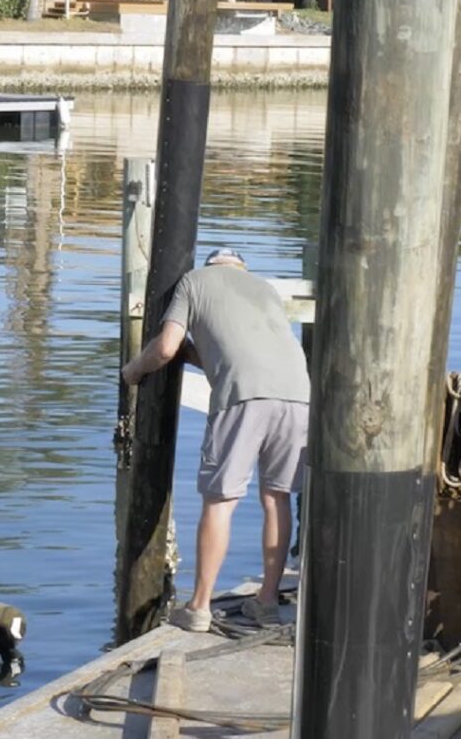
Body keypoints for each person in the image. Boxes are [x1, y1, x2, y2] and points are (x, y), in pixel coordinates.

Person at [121, 248, 310, 632]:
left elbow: (165, 348)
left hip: (242, 396)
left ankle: (199, 607)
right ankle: (268, 602)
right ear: (241, 268)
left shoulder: (193, 281)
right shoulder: (264, 289)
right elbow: (247, 352)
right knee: (277, 498)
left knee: (220, 501)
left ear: (211, 266)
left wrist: (132, 372)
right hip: (298, 396)